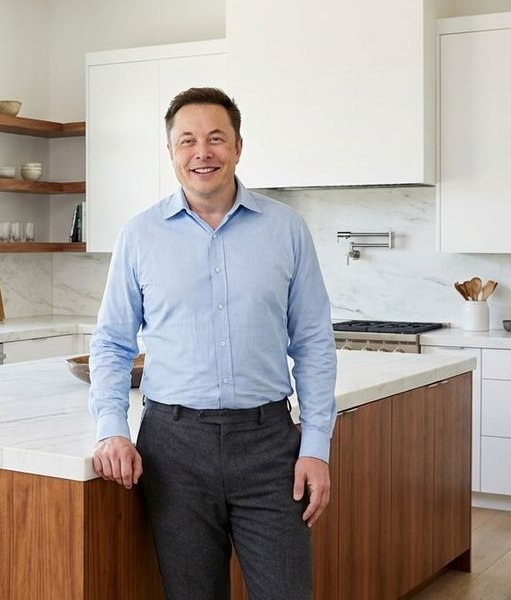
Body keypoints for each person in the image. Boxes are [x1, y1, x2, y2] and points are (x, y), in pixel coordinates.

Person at [87, 87, 337, 600]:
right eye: (188, 141)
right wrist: (111, 429)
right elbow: (112, 342)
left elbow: (313, 342)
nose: (202, 152)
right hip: (172, 450)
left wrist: (316, 447)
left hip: (269, 446)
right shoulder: (139, 236)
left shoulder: (287, 229)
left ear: (239, 147)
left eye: (216, 138)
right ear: (172, 153)